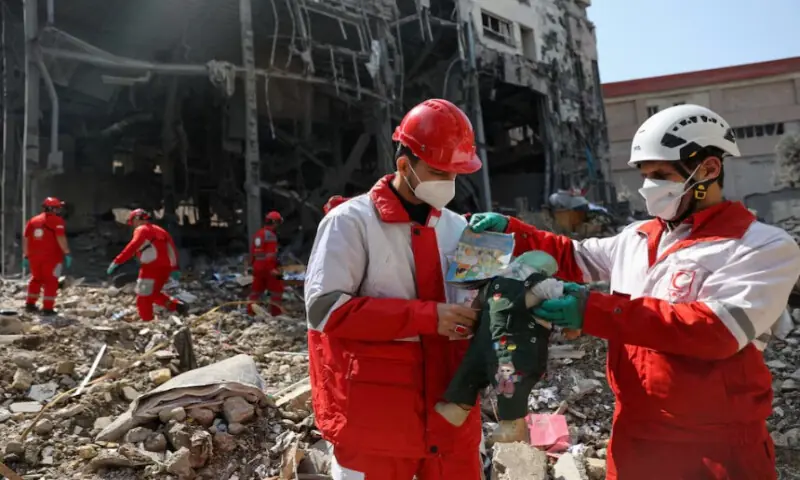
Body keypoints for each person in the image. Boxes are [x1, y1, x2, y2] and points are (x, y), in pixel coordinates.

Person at [469, 104, 800, 479]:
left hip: (716, 447)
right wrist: (512, 232)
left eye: (662, 175)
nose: (649, 187)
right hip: (634, 436)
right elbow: (571, 255)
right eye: (645, 176)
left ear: (708, 169)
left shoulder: (761, 246)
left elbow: (716, 331)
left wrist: (592, 310)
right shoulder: (638, 238)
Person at [305, 99, 484, 480]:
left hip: (451, 419)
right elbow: (324, 310)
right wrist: (427, 317)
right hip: (377, 421)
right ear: (404, 165)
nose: (449, 184)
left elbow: (474, 302)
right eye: (438, 172)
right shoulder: (350, 222)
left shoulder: (458, 228)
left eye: (455, 174)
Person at [107, 209, 187, 322]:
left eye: (133, 222)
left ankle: (146, 321)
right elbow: (172, 249)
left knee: (143, 297)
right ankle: (177, 306)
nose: (133, 226)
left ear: (136, 220)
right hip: (164, 270)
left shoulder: (141, 230)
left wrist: (117, 261)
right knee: (153, 294)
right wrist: (174, 268)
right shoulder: (161, 231)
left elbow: (132, 247)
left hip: (150, 269)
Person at [23, 197, 72, 315]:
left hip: (34, 257)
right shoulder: (57, 221)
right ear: (52, 209)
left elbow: (26, 238)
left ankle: (30, 304)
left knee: (36, 279)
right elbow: (60, 238)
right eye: (57, 208)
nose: (59, 211)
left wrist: (26, 255)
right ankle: (48, 308)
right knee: (51, 281)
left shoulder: (33, 220)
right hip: (51, 258)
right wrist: (67, 252)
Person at [248, 210, 284, 316]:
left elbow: (252, 252)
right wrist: (273, 270)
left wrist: (252, 265)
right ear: (275, 222)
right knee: (277, 290)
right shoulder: (271, 236)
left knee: (256, 291)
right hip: (268, 269)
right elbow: (270, 256)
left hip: (257, 268)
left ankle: (250, 312)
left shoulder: (258, 234)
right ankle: (276, 313)